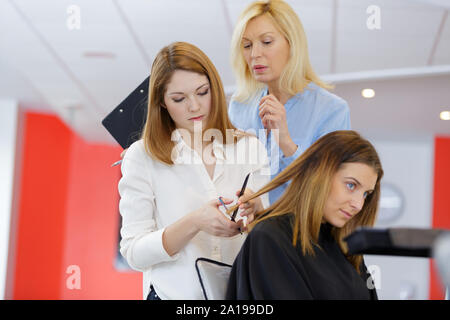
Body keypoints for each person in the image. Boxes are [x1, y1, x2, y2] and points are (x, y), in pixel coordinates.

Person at [118, 42, 270, 300]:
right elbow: (134, 252)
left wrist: (258, 212)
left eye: (202, 92)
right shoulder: (142, 157)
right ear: (162, 103)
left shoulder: (249, 147)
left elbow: (266, 240)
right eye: (179, 99)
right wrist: (194, 222)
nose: (194, 107)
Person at [225, 130, 383, 300]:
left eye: (366, 194)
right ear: (319, 174)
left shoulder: (345, 248)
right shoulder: (270, 238)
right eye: (351, 186)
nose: (359, 205)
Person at [228, 0, 351, 204]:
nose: (254, 54)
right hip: (245, 232)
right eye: (247, 45)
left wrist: (286, 142)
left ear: (292, 44)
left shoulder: (332, 110)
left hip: (295, 232)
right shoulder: (239, 105)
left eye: (266, 42)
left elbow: (330, 190)